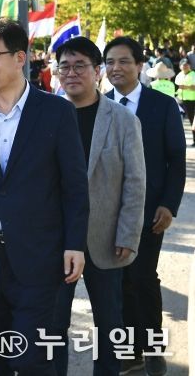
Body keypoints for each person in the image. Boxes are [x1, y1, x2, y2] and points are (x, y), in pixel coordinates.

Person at [0, 19, 89, 375]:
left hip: (39, 256)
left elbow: (74, 184)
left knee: (33, 358)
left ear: (19, 58)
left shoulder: (56, 111)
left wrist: (75, 243)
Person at [52, 36, 146, 376]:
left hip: (105, 239)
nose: (72, 73)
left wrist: (128, 235)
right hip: (56, 239)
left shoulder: (122, 120)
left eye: (80, 66)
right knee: (53, 322)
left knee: (109, 321)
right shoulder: (46, 116)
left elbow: (135, 183)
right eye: (65, 66)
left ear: (97, 72)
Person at [103, 36, 186, 376]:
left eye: (124, 61)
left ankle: (152, 349)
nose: (116, 68)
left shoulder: (161, 105)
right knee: (118, 281)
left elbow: (176, 159)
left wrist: (169, 204)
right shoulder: (98, 104)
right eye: (110, 62)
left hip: (150, 211)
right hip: (107, 212)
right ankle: (130, 351)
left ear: (140, 66)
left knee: (142, 277)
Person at [175, 59, 195, 146]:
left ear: (190, 66)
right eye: (183, 65)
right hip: (180, 100)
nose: (185, 66)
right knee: (179, 121)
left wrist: (186, 87)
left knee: (192, 121)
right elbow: (177, 86)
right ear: (180, 66)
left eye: (187, 65)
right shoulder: (179, 75)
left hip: (191, 101)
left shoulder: (193, 74)